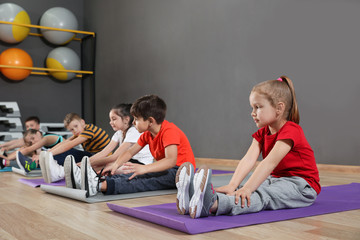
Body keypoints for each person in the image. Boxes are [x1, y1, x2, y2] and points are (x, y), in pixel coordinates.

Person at [176, 75, 320, 218]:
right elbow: (248, 160)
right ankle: (191, 198)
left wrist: (248, 188)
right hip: (276, 179)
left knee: (259, 194)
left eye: (258, 107)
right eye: (252, 107)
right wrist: (232, 185)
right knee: (240, 189)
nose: (252, 113)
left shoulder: (292, 130)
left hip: (302, 187)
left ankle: (212, 204)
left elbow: (269, 162)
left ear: (279, 108)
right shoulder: (261, 134)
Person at [65, 95, 196, 197]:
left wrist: (145, 169)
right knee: (136, 175)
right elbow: (129, 153)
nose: (133, 122)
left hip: (181, 173)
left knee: (144, 180)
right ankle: (95, 182)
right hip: (168, 169)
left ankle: (98, 186)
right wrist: (114, 166)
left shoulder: (169, 131)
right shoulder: (147, 134)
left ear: (150, 121)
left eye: (136, 119)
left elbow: (171, 160)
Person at [64, 104, 153, 189]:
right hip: (126, 161)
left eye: (114, 119)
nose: (111, 122)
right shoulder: (118, 133)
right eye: (110, 120)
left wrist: (86, 164)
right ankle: (79, 177)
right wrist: (86, 162)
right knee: (101, 165)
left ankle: (86, 178)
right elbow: (104, 152)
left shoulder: (133, 131)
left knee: (108, 165)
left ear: (126, 119)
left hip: (140, 164)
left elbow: (114, 157)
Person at [40, 113, 110, 183]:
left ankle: (60, 172)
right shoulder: (80, 131)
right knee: (62, 152)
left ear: (82, 122)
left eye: (76, 126)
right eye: (72, 130)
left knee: (67, 152)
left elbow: (70, 145)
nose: (75, 130)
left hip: (102, 159)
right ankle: (55, 171)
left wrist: (49, 154)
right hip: (93, 156)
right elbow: (66, 142)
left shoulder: (89, 131)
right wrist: (47, 153)